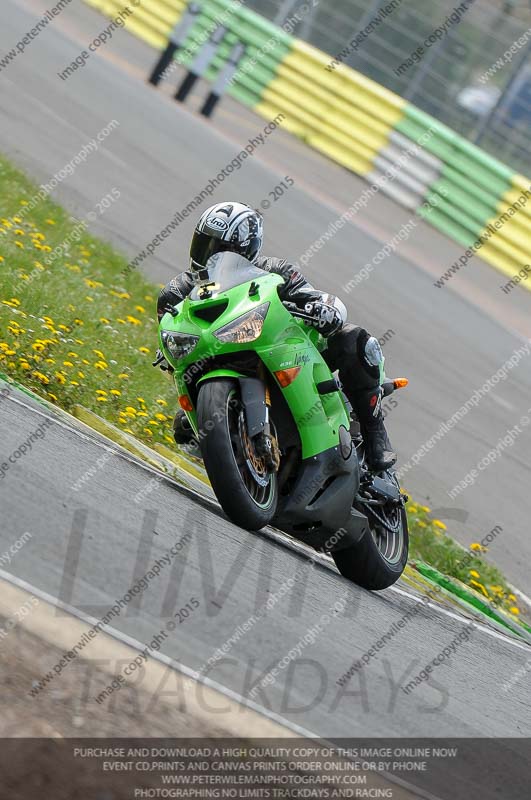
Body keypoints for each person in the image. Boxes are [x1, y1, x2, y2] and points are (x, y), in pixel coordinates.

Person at [156, 202, 396, 472]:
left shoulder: (276, 270)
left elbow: (315, 296)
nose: (213, 256)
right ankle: (238, 460)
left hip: (282, 346)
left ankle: (375, 434)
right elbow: (168, 331)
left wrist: (325, 308)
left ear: (247, 249)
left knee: (354, 339)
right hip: (214, 359)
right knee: (184, 428)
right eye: (206, 245)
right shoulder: (176, 292)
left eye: (224, 250)